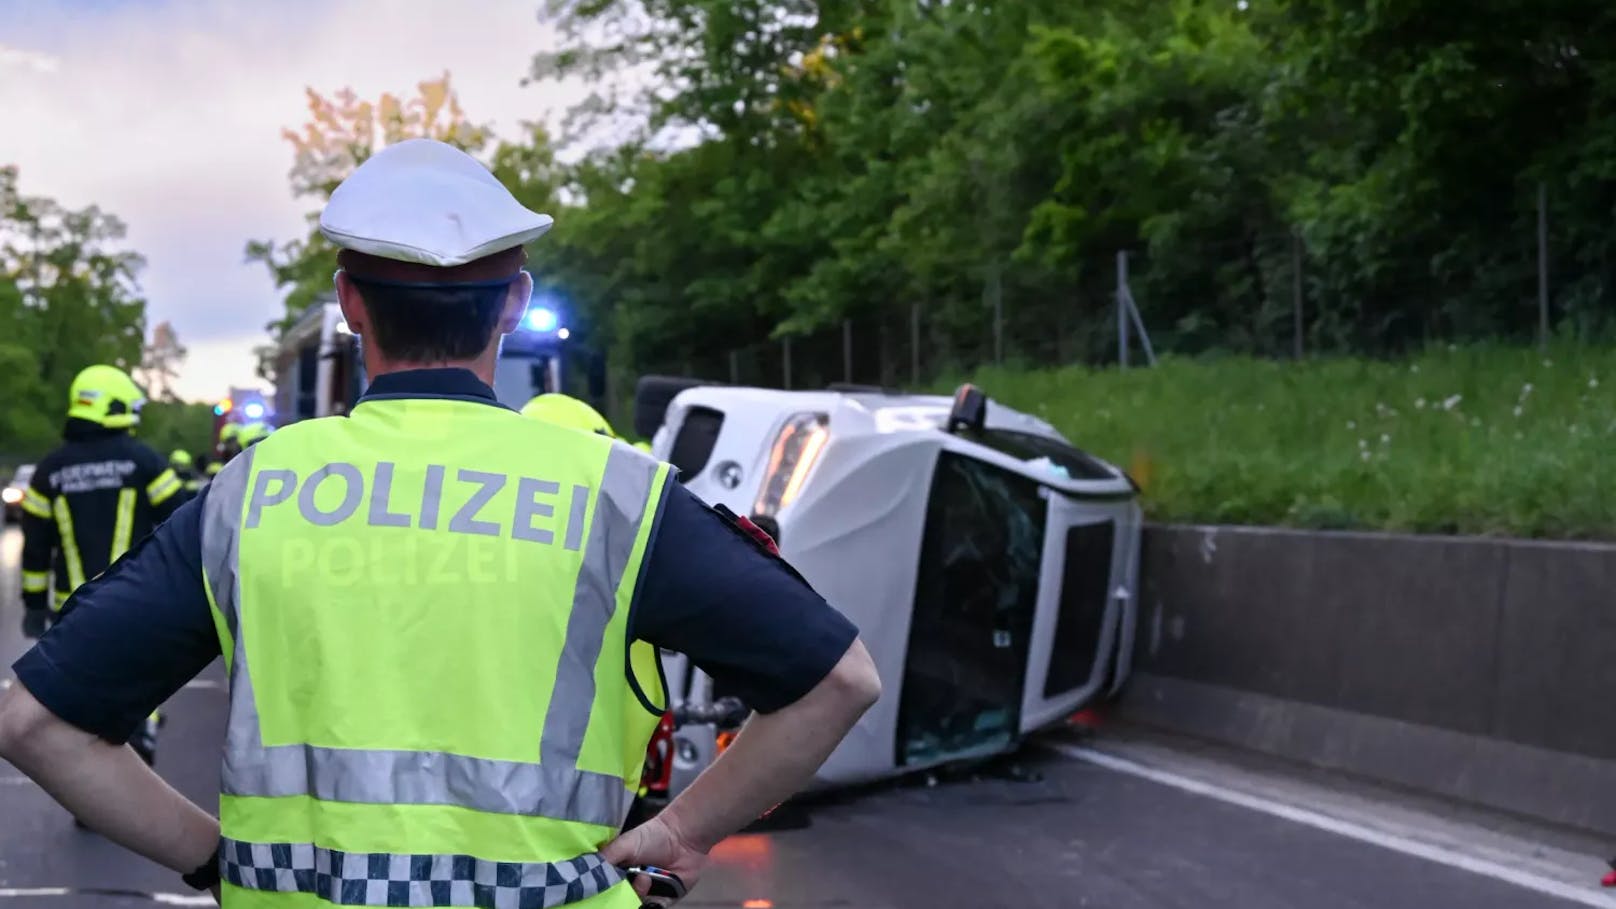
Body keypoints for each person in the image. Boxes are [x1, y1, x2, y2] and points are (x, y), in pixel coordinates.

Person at [0, 138, 881, 905]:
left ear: (350, 305)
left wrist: (213, 861)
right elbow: (836, 681)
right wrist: (686, 830)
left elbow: (38, 724)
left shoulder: (251, 493)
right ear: (514, 301)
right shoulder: (617, 493)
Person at [13, 364, 184, 768]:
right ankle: (140, 735)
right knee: (137, 679)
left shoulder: (49, 470)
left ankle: (89, 784)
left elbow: (35, 547)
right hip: (137, 600)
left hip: (71, 607)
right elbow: (182, 523)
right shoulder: (144, 462)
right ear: (118, 407)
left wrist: (33, 605)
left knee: (80, 696)